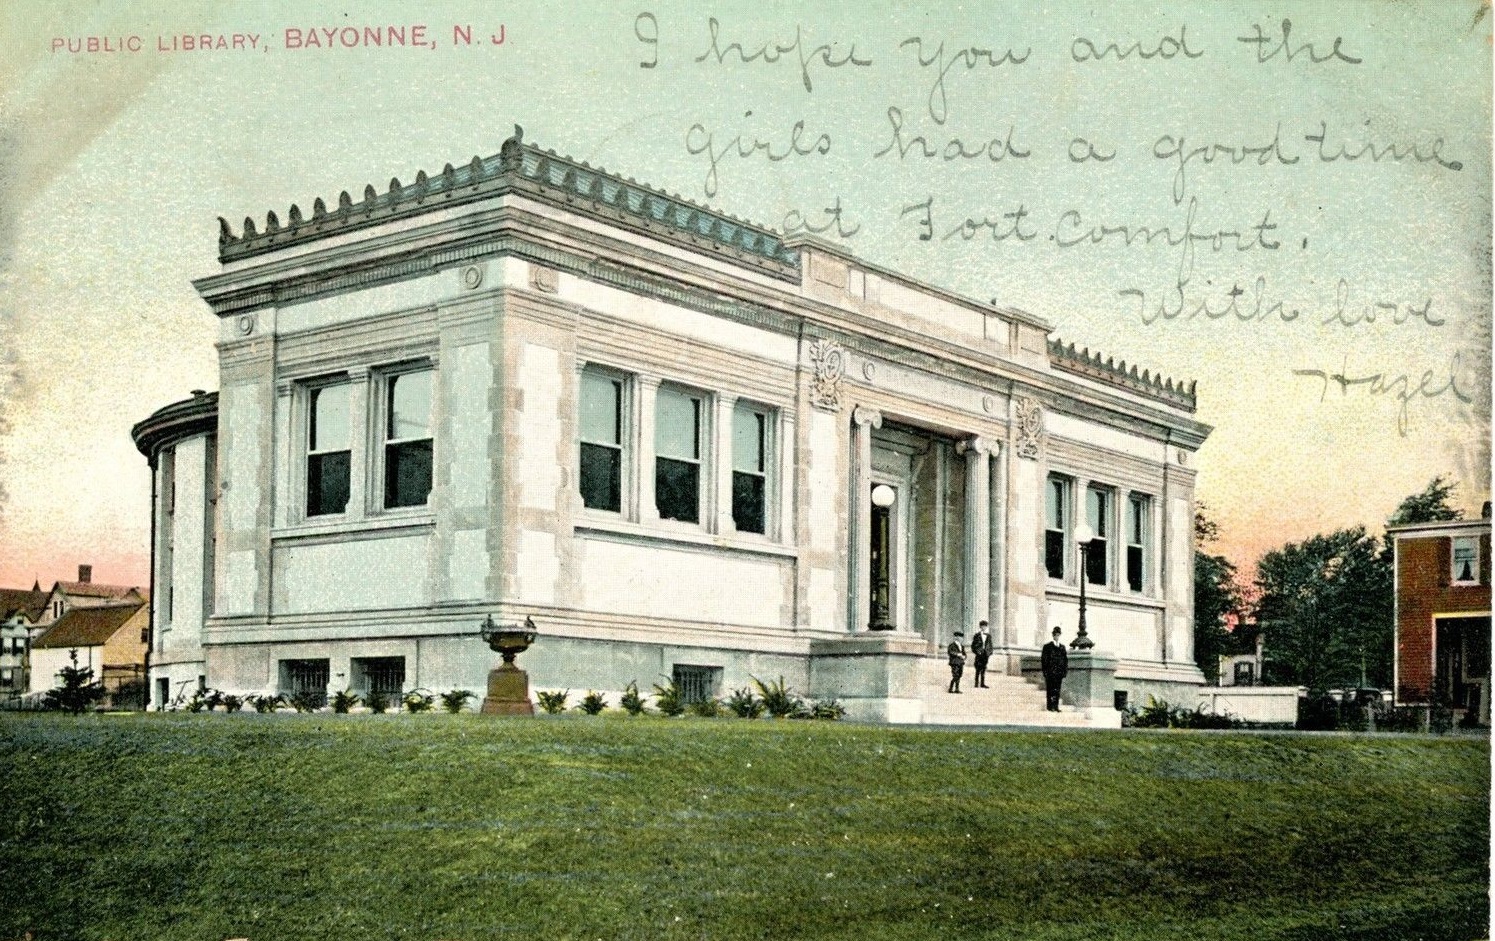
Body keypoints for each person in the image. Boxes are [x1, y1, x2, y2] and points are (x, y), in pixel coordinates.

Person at [1040, 626, 1068, 711]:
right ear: (1053, 635)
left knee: (1057, 690)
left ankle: (1056, 706)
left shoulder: (1062, 647)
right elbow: (1044, 659)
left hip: (1058, 673)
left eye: (1058, 635)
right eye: (1055, 635)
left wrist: (1064, 671)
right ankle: (1050, 706)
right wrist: (1045, 671)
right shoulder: (1047, 646)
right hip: (1050, 672)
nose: (1057, 636)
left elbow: (1065, 660)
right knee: (1050, 689)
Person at [971, 620, 993, 688]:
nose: (983, 627)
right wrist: (977, 652)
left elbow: (990, 645)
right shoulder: (977, 635)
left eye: (985, 626)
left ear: (986, 627)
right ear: (980, 626)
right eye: (982, 626)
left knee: (983, 669)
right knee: (977, 669)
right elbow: (973, 646)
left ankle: (982, 684)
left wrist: (989, 653)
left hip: (985, 655)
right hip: (979, 654)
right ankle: (976, 683)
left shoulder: (988, 636)